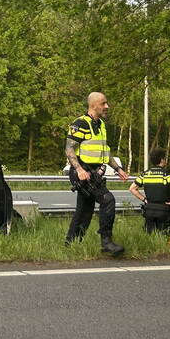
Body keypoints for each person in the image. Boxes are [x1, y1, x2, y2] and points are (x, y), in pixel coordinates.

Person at [65, 92, 129, 254]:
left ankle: (70, 245)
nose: (107, 106)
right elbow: (69, 148)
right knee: (108, 200)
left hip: (95, 174)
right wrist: (79, 170)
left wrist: (118, 168)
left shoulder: (101, 125)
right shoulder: (80, 123)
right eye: (103, 103)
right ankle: (106, 242)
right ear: (93, 105)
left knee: (84, 211)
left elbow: (105, 153)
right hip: (82, 172)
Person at [128, 148, 170, 234]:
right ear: (162, 160)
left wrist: (144, 200)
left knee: (150, 234)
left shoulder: (146, 173)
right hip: (164, 209)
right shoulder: (165, 173)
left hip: (149, 209)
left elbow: (132, 188)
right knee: (166, 234)